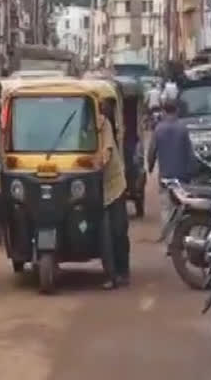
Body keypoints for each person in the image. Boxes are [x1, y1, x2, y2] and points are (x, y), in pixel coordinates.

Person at [147, 96, 196, 242]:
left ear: (163, 110)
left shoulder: (158, 129)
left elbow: (152, 151)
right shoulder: (182, 129)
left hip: (165, 177)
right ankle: (179, 239)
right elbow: (190, 154)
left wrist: (150, 166)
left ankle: (169, 241)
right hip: (182, 177)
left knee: (166, 209)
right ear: (177, 110)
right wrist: (192, 172)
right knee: (182, 208)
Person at [99, 99, 129, 288]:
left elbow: (106, 153)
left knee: (118, 230)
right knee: (105, 234)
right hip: (95, 187)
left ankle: (123, 271)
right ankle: (110, 275)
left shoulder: (104, 124)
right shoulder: (79, 124)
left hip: (114, 184)